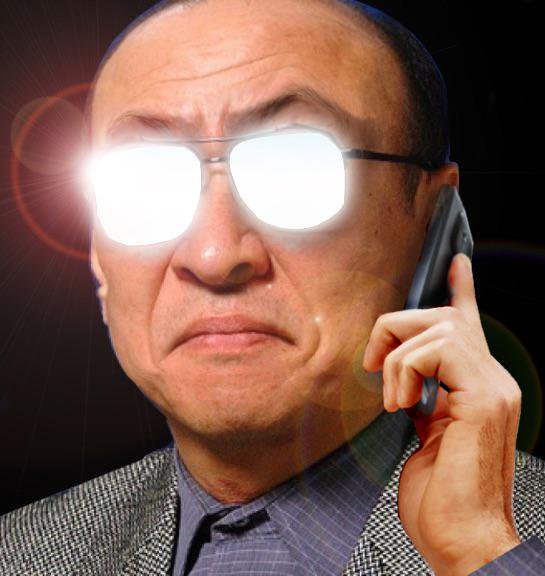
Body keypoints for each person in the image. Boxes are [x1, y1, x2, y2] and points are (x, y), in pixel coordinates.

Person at [1, 0, 545, 574]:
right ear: (97, 256)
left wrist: (478, 552)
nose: (214, 256)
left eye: (295, 168)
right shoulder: (20, 552)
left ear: (433, 223)